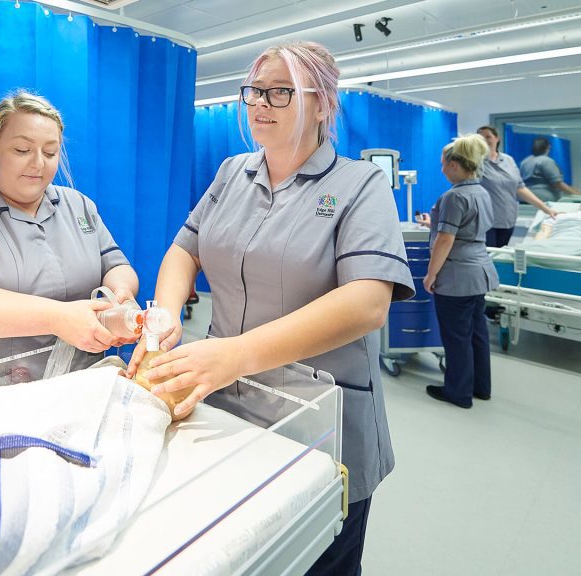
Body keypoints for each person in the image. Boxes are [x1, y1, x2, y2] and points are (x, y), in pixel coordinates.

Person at [125, 42, 414, 575]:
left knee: (316, 554)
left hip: (322, 419)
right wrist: (164, 317)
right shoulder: (234, 172)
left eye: (279, 92)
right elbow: (184, 249)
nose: (260, 103)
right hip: (227, 408)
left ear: (323, 104)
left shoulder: (359, 185)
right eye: (255, 91)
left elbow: (368, 302)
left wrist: (234, 355)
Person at [0, 90, 139, 361]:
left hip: (79, 381)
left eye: (50, 152)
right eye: (22, 150)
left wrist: (121, 295)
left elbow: (116, 265)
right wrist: (58, 318)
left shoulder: (79, 206)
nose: (38, 164)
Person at [415, 134, 499, 409]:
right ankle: (481, 387)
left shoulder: (454, 196)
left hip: (457, 276)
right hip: (480, 272)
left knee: (456, 336)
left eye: (443, 164)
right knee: (477, 333)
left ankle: (458, 392)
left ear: (454, 165)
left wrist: (430, 275)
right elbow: (464, 231)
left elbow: (446, 240)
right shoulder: (482, 192)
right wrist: (434, 224)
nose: (441, 169)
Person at [476, 126, 556, 248]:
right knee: (488, 257)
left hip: (508, 219)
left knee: (501, 256)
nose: (484, 139)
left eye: (488, 136)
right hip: (486, 221)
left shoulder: (508, 160)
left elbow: (520, 188)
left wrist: (546, 209)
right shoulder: (475, 162)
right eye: (480, 137)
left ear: (497, 138)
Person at [519, 136, 581, 203]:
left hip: (526, 197)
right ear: (548, 147)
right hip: (544, 199)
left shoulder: (525, 162)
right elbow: (557, 184)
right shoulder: (546, 161)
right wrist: (576, 194)